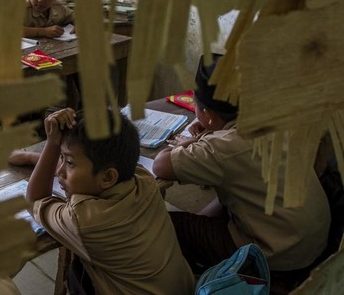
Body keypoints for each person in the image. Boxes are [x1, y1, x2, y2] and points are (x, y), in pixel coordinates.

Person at [152, 54, 331, 277]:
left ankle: (234, 275)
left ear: (206, 114)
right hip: (313, 240)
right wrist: (210, 127)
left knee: (163, 226)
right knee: (230, 190)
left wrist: (191, 142)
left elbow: (160, 165)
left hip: (277, 255)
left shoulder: (223, 147)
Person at [25, 108, 195, 294]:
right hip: (184, 287)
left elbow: (36, 199)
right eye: (62, 159)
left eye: (70, 163)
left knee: (78, 271)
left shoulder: (84, 221)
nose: (59, 172)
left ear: (107, 178)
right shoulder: (144, 179)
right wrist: (29, 157)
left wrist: (52, 143)